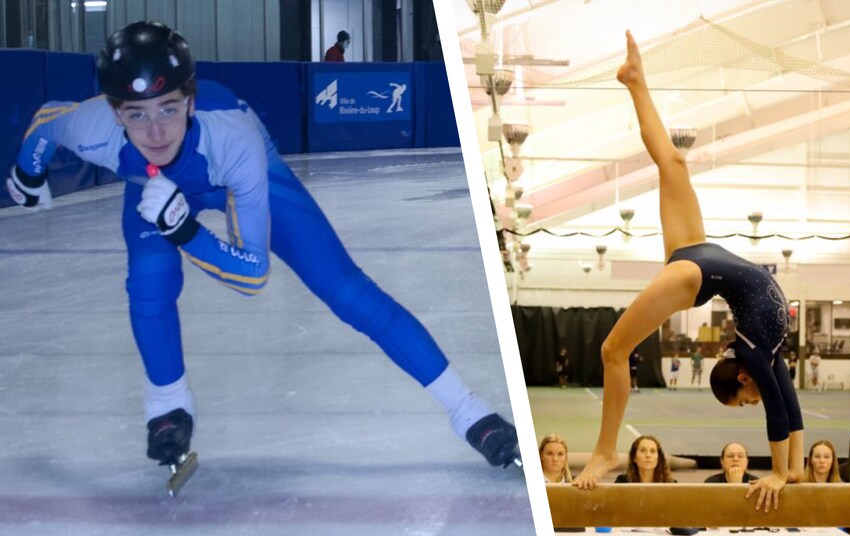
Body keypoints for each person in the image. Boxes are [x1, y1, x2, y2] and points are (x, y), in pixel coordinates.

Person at [4, 21, 519, 481]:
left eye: (168, 109)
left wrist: (187, 232)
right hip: (154, 185)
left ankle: (468, 411)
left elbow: (253, 277)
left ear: (190, 98)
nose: (156, 131)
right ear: (115, 114)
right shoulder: (91, 127)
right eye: (137, 116)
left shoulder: (235, 138)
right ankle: (167, 405)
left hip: (235, 173)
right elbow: (46, 123)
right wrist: (28, 175)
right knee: (149, 281)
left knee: (346, 290)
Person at [573, 31, 805, 515]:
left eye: (744, 401)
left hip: (698, 272)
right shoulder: (766, 355)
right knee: (672, 161)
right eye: (748, 404)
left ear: (743, 376)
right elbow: (787, 410)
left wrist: (784, 474)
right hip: (700, 261)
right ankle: (636, 81)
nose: (754, 403)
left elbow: (783, 412)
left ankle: (604, 452)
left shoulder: (761, 355)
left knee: (613, 350)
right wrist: (790, 471)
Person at [805, 440, 850, 536]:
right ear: (810, 460)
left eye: (826, 457)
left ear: (833, 460)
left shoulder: (843, 490)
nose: (822, 461)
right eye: (817, 456)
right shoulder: (800, 488)